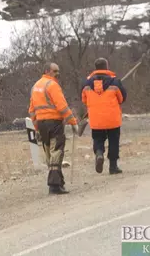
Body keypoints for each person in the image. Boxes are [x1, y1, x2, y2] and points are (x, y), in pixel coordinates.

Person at [29, 63, 78, 195]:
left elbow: (32, 110)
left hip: (41, 123)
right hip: (54, 123)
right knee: (56, 152)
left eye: (58, 71)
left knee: (49, 154)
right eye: (55, 71)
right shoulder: (52, 85)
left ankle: (59, 182)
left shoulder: (35, 86)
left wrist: (36, 127)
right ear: (47, 71)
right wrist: (73, 122)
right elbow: (62, 106)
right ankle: (54, 185)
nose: (57, 73)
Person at [81, 58, 127, 175]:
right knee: (113, 140)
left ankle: (99, 153)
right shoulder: (115, 82)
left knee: (98, 139)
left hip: (96, 118)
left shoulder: (86, 83)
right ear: (107, 66)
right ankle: (113, 167)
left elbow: (84, 100)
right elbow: (122, 98)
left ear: (95, 68)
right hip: (112, 118)